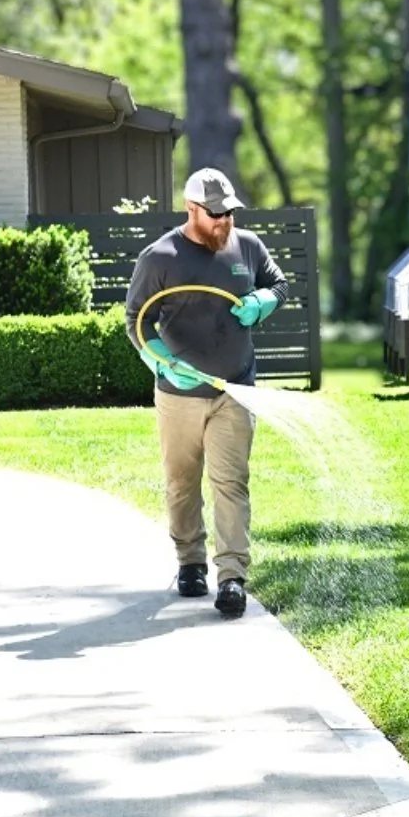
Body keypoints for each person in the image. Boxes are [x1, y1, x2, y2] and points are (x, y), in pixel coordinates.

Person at [123, 168, 289, 618]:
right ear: (191, 209)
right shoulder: (160, 257)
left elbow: (278, 282)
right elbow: (136, 318)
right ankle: (190, 562)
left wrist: (265, 301)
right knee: (181, 483)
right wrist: (158, 358)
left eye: (229, 213)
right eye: (214, 214)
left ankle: (232, 576)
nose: (223, 222)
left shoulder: (248, 246)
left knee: (231, 482)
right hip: (179, 396)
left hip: (235, 389)